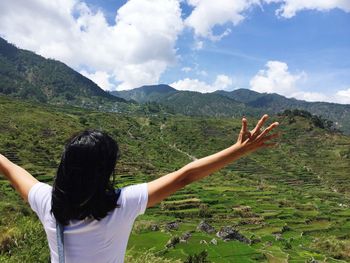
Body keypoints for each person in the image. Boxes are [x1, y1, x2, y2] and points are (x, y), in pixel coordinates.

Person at [0, 114, 279, 263]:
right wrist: (238, 150)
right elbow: (184, 177)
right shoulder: (122, 204)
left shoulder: (46, 202)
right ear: (105, 171)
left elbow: (11, 170)